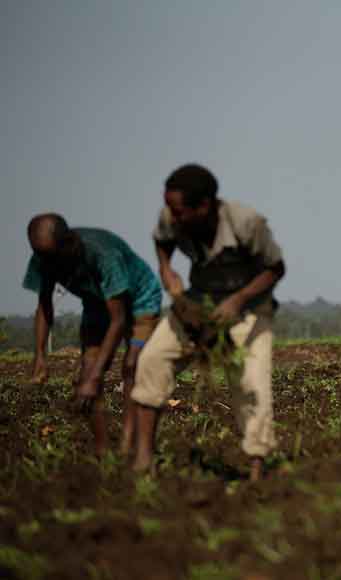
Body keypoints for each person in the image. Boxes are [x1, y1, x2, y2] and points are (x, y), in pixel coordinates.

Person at [130, 164, 286, 481]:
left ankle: (257, 474)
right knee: (151, 361)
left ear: (203, 206)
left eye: (180, 210)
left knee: (251, 386)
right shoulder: (170, 217)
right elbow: (162, 240)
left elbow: (275, 268)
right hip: (197, 303)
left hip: (248, 310)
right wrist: (166, 270)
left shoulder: (246, 223)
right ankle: (143, 459)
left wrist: (237, 300)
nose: (172, 216)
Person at [22, 214, 162, 455]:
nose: (45, 261)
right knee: (87, 371)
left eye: (50, 255)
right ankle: (102, 451)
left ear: (66, 244)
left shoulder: (102, 254)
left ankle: (128, 442)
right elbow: (44, 305)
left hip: (140, 299)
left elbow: (118, 320)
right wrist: (40, 356)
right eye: (40, 255)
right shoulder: (44, 258)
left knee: (132, 365)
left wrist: (95, 377)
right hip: (98, 302)